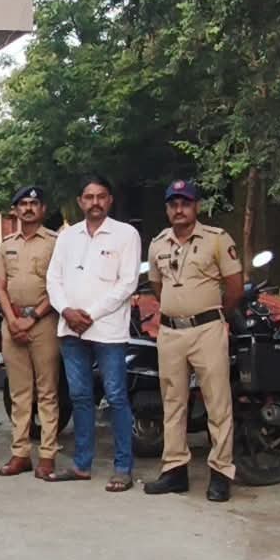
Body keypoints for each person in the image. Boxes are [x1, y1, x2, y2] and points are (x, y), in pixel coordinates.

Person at [144, 180, 245, 502]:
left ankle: (221, 472)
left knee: (217, 402)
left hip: (207, 329)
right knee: (173, 402)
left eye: (185, 203)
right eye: (173, 204)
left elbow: (235, 286)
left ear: (196, 206)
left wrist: (215, 314)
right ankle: (174, 469)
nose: (179, 209)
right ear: (167, 209)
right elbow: (157, 286)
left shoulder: (216, 239)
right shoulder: (157, 244)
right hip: (171, 332)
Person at [46, 175, 142, 489]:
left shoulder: (126, 234)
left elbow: (127, 283)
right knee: (80, 396)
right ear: (80, 202)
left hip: (108, 330)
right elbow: (53, 279)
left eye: (101, 196)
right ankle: (81, 465)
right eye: (89, 197)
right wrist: (66, 311)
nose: (95, 202)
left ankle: (123, 468)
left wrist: (92, 314)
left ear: (110, 200)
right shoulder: (67, 237)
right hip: (70, 329)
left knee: (115, 397)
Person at [0, 185, 63, 480]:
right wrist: (12, 320)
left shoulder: (55, 243)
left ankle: (47, 455)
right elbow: (0, 286)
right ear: (15, 210)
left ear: (43, 209)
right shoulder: (6, 244)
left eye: (34, 204)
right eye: (22, 204)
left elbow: (58, 286)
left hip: (43, 322)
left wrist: (32, 318)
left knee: (47, 392)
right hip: (12, 323)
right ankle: (20, 453)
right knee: (19, 393)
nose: (28, 208)